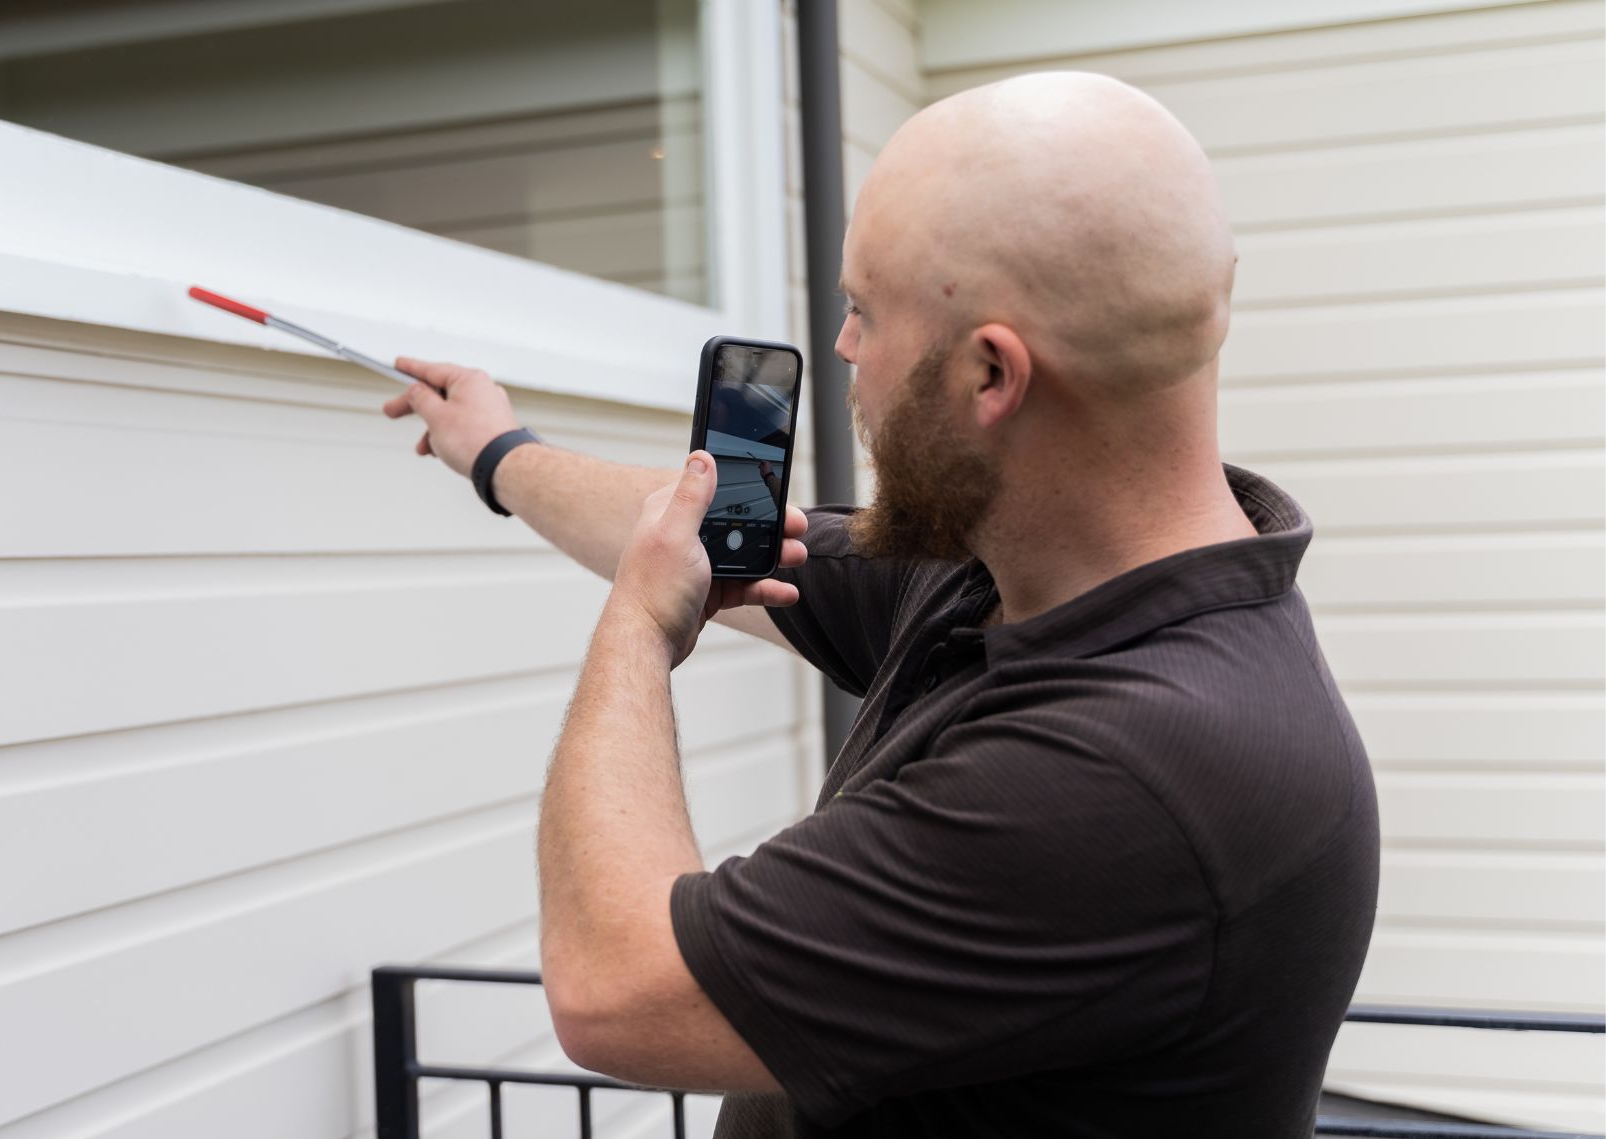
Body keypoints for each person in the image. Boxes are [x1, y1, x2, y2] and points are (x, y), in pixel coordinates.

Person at [381, 70, 1378, 1138]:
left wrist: (636, 626)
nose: (846, 348)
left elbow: (616, 989)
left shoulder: (1135, 771)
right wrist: (496, 452)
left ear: (992, 373)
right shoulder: (1012, 572)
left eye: (862, 309)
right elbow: (689, 531)